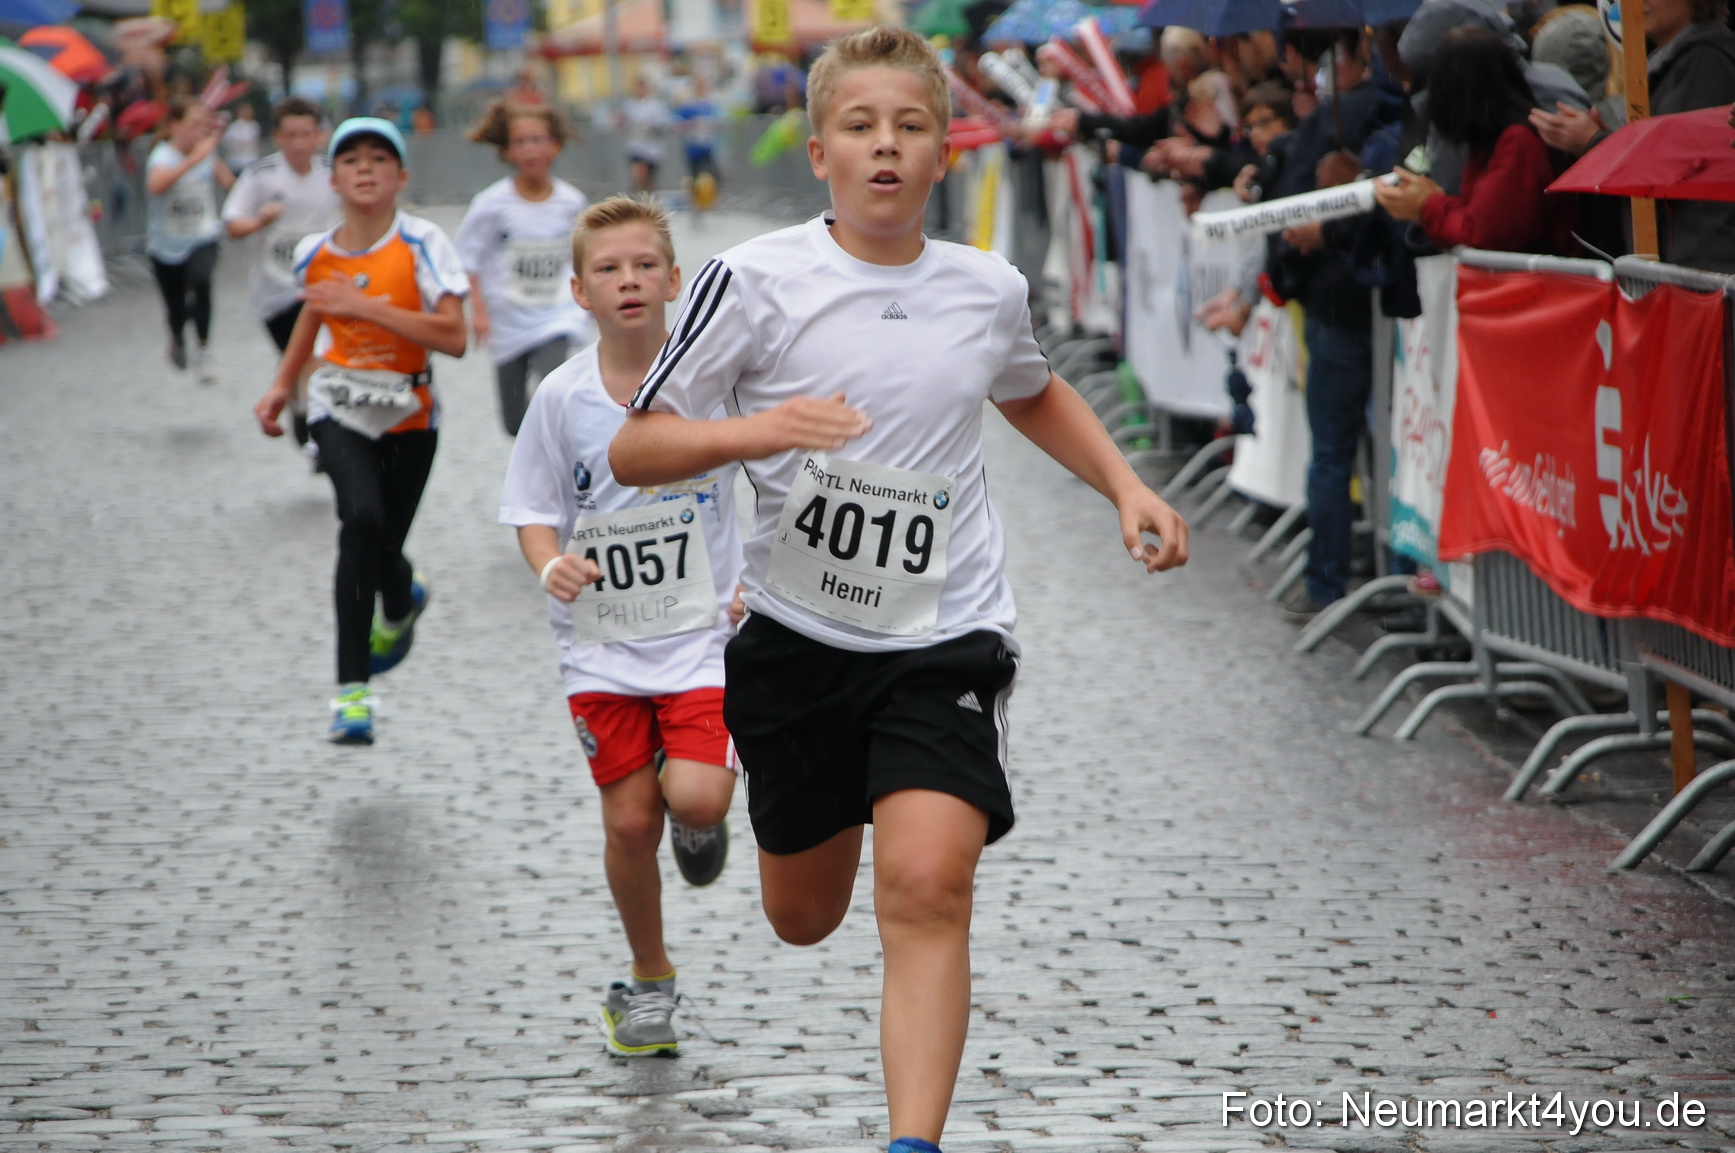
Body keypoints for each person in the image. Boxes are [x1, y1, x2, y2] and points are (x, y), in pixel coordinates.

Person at [608, 27, 1189, 1152]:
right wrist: (759, 430)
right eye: (862, 127)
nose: (886, 147)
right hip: (797, 638)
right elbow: (637, 450)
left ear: (945, 154)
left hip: (947, 633)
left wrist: (1125, 485)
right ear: (819, 149)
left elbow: (1029, 389)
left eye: (910, 127)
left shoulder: (985, 286)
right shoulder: (756, 278)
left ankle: (912, 1142)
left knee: (927, 885)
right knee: (803, 915)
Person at [500, 195, 741, 1057]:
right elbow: (532, 508)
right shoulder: (561, 397)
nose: (628, 280)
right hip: (599, 642)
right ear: (579, 291)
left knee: (699, 796)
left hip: (702, 634)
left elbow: (783, 473)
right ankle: (647, 981)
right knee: (630, 824)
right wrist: (547, 563)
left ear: (674, 279)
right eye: (608, 269)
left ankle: (700, 816)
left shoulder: (712, 384)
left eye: (644, 265)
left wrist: (756, 580)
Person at [250, 118, 469, 745]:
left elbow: (455, 339)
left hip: (410, 414)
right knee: (361, 523)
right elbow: (314, 318)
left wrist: (368, 307)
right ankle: (351, 695)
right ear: (333, 178)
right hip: (337, 405)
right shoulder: (315, 254)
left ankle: (401, 600)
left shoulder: (424, 243)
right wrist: (278, 386)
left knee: (382, 546)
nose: (365, 168)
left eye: (380, 158)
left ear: (401, 177)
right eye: (351, 159)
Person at [1530, 0, 1735, 270]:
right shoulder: (1676, 59)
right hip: (1688, 256)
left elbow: (1677, 159)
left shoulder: (1706, 59)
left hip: (1704, 260)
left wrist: (1595, 142)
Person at [457, 102, 592, 436]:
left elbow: (586, 256)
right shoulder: (491, 204)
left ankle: (558, 467)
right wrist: (479, 311)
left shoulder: (571, 202)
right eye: (520, 142)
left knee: (554, 393)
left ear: (554, 146)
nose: (530, 148)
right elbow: (467, 259)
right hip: (508, 318)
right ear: (507, 151)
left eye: (537, 139)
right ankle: (533, 448)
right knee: (514, 422)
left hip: (556, 314)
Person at [222, 97, 342, 461]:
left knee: (317, 358)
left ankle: (319, 429)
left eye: (307, 134)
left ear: (319, 136)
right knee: (295, 360)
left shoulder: (333, 175)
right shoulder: (261, 177)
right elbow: (232, 224)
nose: (300, 143)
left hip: (320, 288)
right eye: (291, 135)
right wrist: (260, 221)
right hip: (274, 291)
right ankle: (300, 409)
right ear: (278, 137)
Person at [1375, 28, 1564, 254]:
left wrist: (1427, 205)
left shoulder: (1517, 142)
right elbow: (1482, 212)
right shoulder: (1492, 141)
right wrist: (1431, 200)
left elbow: (1485, 233)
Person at [146, 98, 234, 382]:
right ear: (174, 125)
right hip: (167, 245)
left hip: (203, 235)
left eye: (202, 125)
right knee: (176, 307)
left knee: (202, 282)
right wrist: (194, 159)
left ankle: (204, 349)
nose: (197, 131)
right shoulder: (162, 156)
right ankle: (177, 337)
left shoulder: (208, 154)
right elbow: (156, 186)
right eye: (192, 125)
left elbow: (231, 185)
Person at [617, 75, 672, 194]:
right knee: (639, 173)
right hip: (636, 146)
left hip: (652, 148)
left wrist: (652, 127)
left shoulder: (656, 105)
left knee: (650, 179)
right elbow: (622, 123)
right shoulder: (629, 105)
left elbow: (663, 124)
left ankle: (648, 199)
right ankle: (638, 196)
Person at [674, 75, 721, 211]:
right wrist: (688, 124)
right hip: (692, 146)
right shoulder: (689, 104)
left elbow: (719, 119)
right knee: (694, 175)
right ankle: (694, 202)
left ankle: (713, 200)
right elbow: (678, 120)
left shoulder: (709, 103)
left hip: (707, 145)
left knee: (713, 173)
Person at [220, 102, 261, 172]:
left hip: (251, 160)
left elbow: (252, 140)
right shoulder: (234, 127)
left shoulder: (255, 125)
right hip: (236, 161)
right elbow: (227, 141)